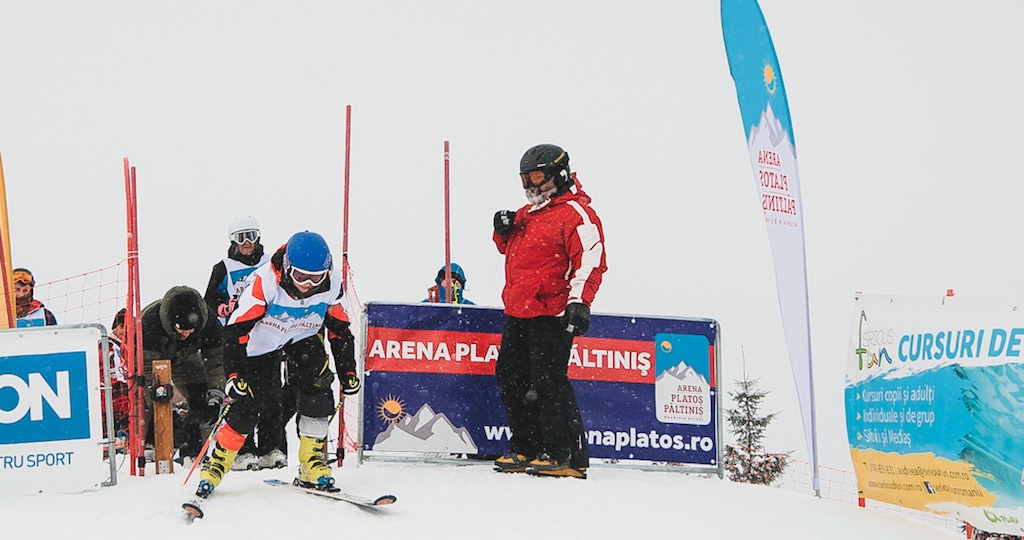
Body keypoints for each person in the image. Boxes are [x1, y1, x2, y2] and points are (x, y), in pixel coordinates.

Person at [191, 231, 360, 501]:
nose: (307, 284)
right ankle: (217, 464)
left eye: (316, 277)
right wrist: (234, 375)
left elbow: (339, 331)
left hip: (303, 335)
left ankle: (311, 462)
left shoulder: (332, 283)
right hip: (260, 343)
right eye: (301, 276)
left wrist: (348, 371)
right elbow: (234, 332)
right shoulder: (265, 283)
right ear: (288, 269)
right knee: (248, 403)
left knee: (317, 386)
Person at [491, 144, 607, 479]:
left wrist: (579, 302)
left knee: (548, 382)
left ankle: (565, 454)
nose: (531, 185)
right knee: (511, 378)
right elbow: (509, 248)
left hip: (553, 312)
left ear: (559, 175)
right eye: (525, 178)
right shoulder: (528, 214)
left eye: (537, 176)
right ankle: (527, 447)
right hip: (519, 310)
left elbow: (591, 259)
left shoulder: (575, 214)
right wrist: (501, 229)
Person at [203, 216, 282, 471]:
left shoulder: (270, 263)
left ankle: (270, 448)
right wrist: (223, 307)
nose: (247, 243)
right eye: (241, 237)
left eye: (251, 235)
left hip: (268, 337)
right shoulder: (223, 267)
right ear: (232, 241)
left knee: (272, 396)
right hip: (239, 340)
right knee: (242, 393)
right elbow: (209, 300)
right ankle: (243, 451)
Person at [140, 286, 227, 461]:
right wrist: (163, 405)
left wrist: (216, 392)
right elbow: (148, 371)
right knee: (152, 397)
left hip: (186, 358)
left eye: (191, 331)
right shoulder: (149, 323)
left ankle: (195, 448)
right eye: (181, 330)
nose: (186, 334)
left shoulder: (210, 323)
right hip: (152, 358)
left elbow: (216, 362)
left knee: (200, 392)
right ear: (171, 322)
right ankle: (149, 443)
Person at [99, 309, 131, 452]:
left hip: (123, 399)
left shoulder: (125, 347)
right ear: (116, 326)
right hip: (111, 400)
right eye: (124, 327)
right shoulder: (106, 345)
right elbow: (101, 375)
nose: (126, 331)